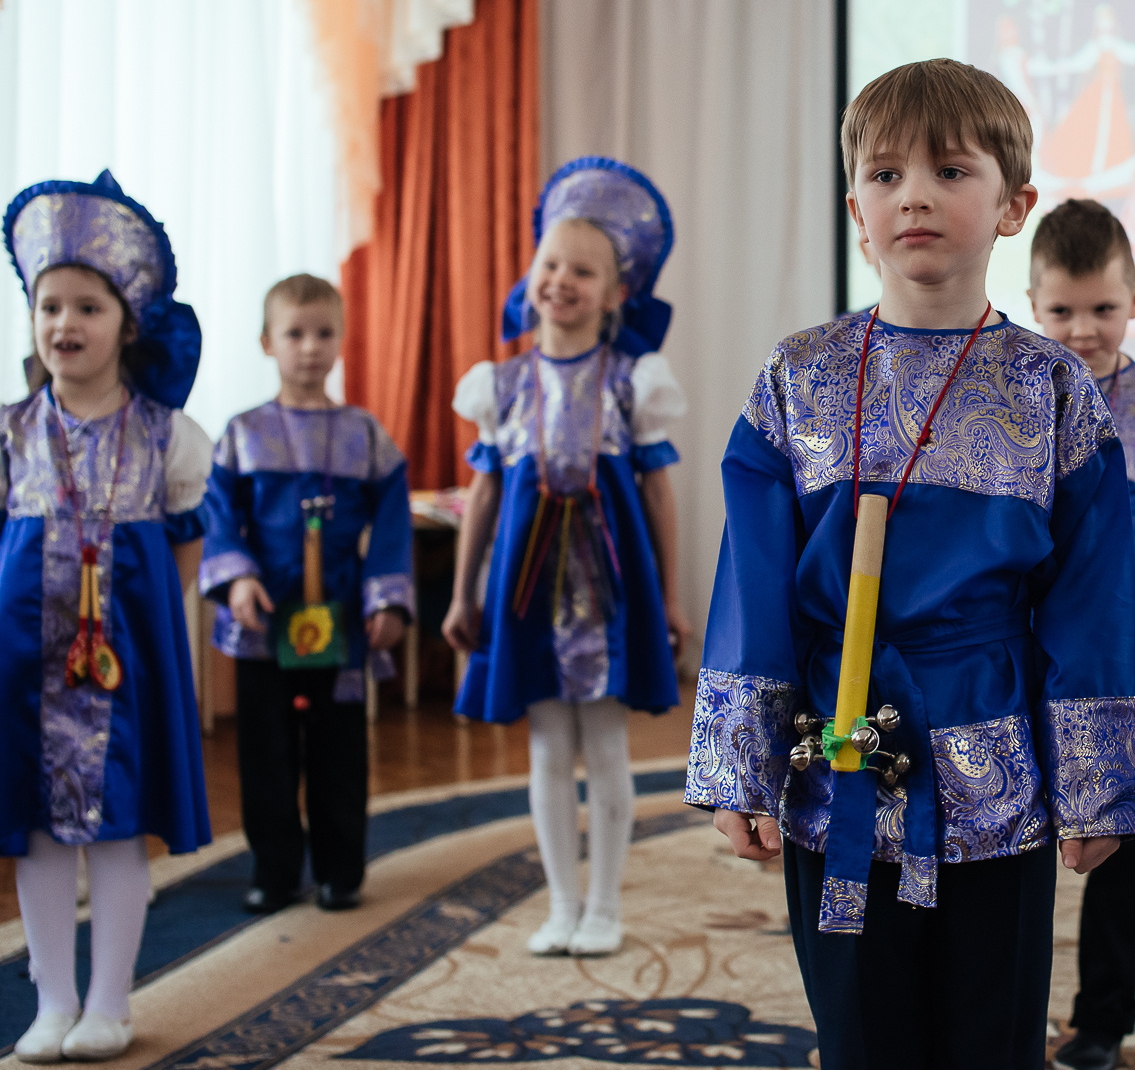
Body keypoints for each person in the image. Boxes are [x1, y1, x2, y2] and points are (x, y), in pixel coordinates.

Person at [687, 59, 1135, 1070]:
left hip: (997, 764)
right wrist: (741, 768)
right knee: (860, 1038)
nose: (916, 196)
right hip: (836, 755)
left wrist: (1098, 786)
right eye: (887, 174)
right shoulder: (796, 378)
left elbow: (1089, 604)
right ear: (855, 206)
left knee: (991, 1038)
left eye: (949, 170)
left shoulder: (1051, 390)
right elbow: (753, 588)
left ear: (1011, 206)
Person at [442, 157, 687, 959]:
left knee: (606, 744)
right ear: (531, 273)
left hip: (611, 592)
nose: (562, 280)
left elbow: (657, 495)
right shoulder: (501, 386)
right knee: (548, 745)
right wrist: (461, 592)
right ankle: (561, 901)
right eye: (551, 264)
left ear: (618, 293)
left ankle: (606, 903)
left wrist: (672, 597)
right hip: (525, 592)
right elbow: (481, 497)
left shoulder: (633, 382)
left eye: (584, 270)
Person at [0, 172, 212, 1062]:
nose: (64, 324)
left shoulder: (172, 436)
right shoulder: (8, 433)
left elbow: (186, 557)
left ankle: (110, 1001)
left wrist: (167, 653)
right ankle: (51, 1000)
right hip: (23, 663)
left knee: (120, 827)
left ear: (128, 322)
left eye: (87, 305)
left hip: (127, 662)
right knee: (39, 830)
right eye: (50, 305)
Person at [1026, 198, 1135, 1070]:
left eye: (1102, 308)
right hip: (1019, 662)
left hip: (1134, 664)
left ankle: (1101, 1017)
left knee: (1121, 845)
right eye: (1062, 310)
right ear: (1031, 302)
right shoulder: (1011, 401)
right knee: (1010, 838)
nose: (1082, 329)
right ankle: (1006, 1003)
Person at [199, 274, 414, 915]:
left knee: (339, 751)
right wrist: (237, 576)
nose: (310, 348)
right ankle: (274, 869)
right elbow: (217, 515)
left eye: (324, 333)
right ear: (268, 342)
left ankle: (340, 871)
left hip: (341, 627)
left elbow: (394, 518)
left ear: (342, 342)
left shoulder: (364, 434)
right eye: (294, 333)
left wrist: (388, 600)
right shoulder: (242, 434)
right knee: (265, 751)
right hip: (266, 628)